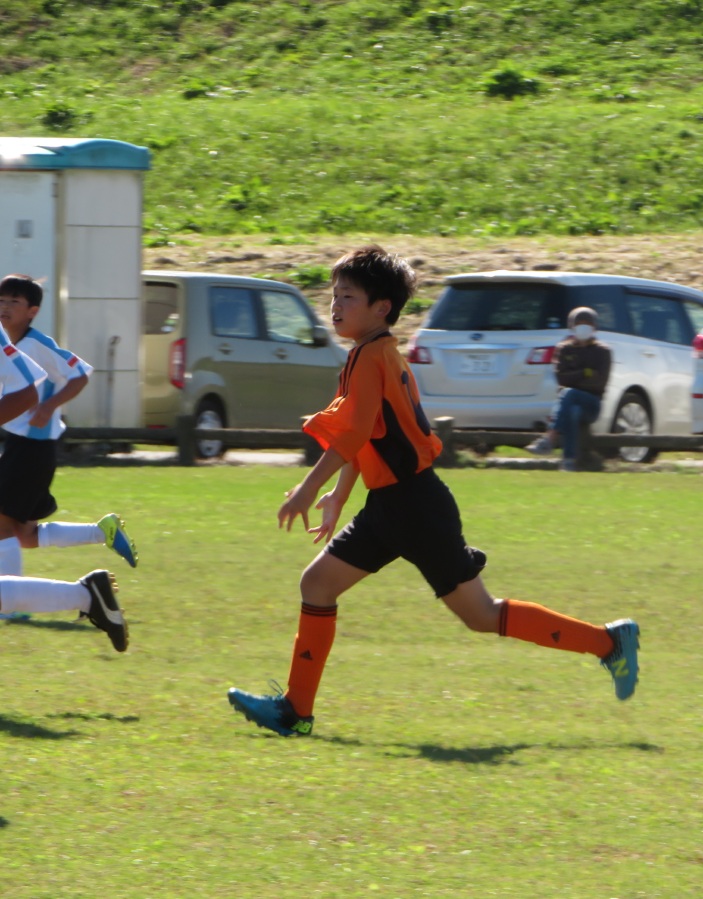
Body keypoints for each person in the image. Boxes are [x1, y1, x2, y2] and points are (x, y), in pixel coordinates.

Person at [228, 246, 640, 737]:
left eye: (348, 297)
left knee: (481, 615)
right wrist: (338, 495)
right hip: (392, 505)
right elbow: (367, 435)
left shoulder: (372, 358)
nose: (335, 305)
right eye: (334, 295)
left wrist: (307, 487)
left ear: (382, 307)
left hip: (415, 507)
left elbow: (353, 434)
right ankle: (295, 712)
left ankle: (609, 643)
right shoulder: (372, 354)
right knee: (317, 585)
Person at [0, 275, 138, 579]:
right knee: (25, 535)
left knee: (3, 526)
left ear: (33, 311)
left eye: (14, 302)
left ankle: (9, 600)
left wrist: (49, 406)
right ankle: (103, 532)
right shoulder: (9, 345)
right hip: (22, 444)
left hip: (32, 447)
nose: (5, 307)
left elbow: (80, 374)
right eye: (1, 301)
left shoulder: (36, 344)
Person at [524, 307, 612, 471]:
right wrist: (585, 373)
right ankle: (568, 461)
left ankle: (550, 438)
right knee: (573, 411)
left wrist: (574, 378)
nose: (583, 327)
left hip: (592, 404)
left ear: (594, 327)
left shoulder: (602, 351)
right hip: (569, 403)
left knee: (568, 393)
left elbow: (599, 383)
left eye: (587, 324)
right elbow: (561, 378)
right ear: (572, 327)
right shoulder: (564, 349)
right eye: (579, 323)